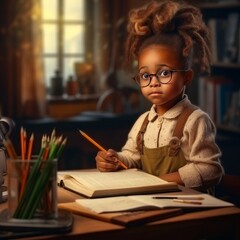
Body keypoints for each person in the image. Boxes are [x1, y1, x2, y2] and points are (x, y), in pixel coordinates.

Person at [95, 0, 224, 192]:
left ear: (186, 77)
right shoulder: (143, 122)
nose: (153, 82)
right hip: (151, 201)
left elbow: (210, 170)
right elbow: (132, 157)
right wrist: (115, 160)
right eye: (145, 76)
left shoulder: (196, 120)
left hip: (189, 205)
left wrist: (162, 182)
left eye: (164, 73)